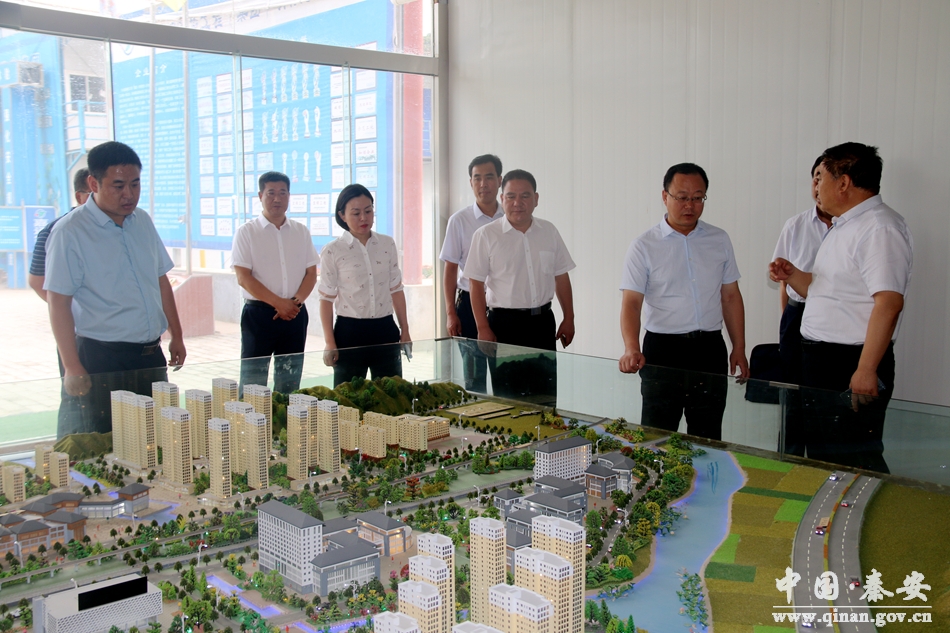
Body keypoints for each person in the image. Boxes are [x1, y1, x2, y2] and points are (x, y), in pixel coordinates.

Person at [769, 142, 913, 473]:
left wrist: (866, 369)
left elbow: (889, 303)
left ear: (844, 182)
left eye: (821, 178)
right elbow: (824, 291)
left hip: (849, 364)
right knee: (825, 456)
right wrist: (793, 275)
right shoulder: (845, 225)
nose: (816, 187)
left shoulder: (880, 227)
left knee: (854, 459)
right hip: (821, 361)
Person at [44, 141, 186, 438]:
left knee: (155, 441)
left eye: (135, 184)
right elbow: (58, 302)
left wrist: (177, 335)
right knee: (105, 443)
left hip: (149, 355)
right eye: (118, 186)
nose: (129, 194)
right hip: (102, 358)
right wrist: (71, 366)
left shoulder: (142, 221)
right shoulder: (70, 231)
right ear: (93, 183)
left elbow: (160, 280)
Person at [619, 163, 749, 441]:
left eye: (697, 198)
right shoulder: (644, 245)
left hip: (709, 350)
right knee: (657, 437)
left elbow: (730, 296)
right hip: (663, 351)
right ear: (664, 196)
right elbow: (631, 303)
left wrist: (739, 346)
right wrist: (631, 348)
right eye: (682, 197)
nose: (690, 205)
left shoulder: (719, 239)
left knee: (707, 437)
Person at [464, 169, 575, 404]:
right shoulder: (486, 235)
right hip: (504, 327)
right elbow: (475, 284)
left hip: (542, 324)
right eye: (511, 196)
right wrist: (482, 327)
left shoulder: (549, 231)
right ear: (502, 199)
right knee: (509, 400)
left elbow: (561, 276)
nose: (518, 203)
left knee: (545, 398)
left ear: (536, 199)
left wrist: (569, 318)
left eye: (525, 196)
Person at [231, 171, 317, 394]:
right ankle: (250, 417)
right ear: (260, 195)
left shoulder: (301, 231)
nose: (277, 198)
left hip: (295, 314)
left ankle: (286, 416)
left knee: (290, 381)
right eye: (271, 193)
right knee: (253, 382)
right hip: (259, 316)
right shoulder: (246, 232)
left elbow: (311, 273)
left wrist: (294, 303)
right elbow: (243, 277)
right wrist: (279, 303)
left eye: (282, 193)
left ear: (289, 195)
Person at [318, 184, 411, 386]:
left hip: (385, 329)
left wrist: (405, 329)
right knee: (349, 396)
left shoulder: (387, 244)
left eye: (368, 211)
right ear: (342, 215)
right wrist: (329, 341)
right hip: (350, 332)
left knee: (391, 393)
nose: (363, 218)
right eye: (356, 213)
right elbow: (325, 299)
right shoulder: (333, 250)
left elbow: (396, 290)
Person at [771, 158, 833, 456]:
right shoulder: (796, 225)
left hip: (834, 321)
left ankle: (824, 466)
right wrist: (787, 318)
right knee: (792, 400)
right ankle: (789, 464)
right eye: (815, 178)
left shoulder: (853, 228)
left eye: (824, 178)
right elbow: (783, 280)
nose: (818, 185)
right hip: (798, 314)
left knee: (826, 402)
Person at [439, 154, 504, 393]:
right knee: (474, 379)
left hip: (501, 306)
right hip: (468, 305)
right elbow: (450, 269)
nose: (483, 184)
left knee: (503, 375)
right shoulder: (459, 220)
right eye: (477, 178)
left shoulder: (509, 218)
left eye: (489, 177)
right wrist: (450, 313)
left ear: (500, 180)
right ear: (471, 182)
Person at [28, 168, 91, 302]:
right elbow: (37, 281)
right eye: (94, 194)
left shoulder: (118, 226)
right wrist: (69, 307)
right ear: (79, 197)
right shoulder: (53, 231)